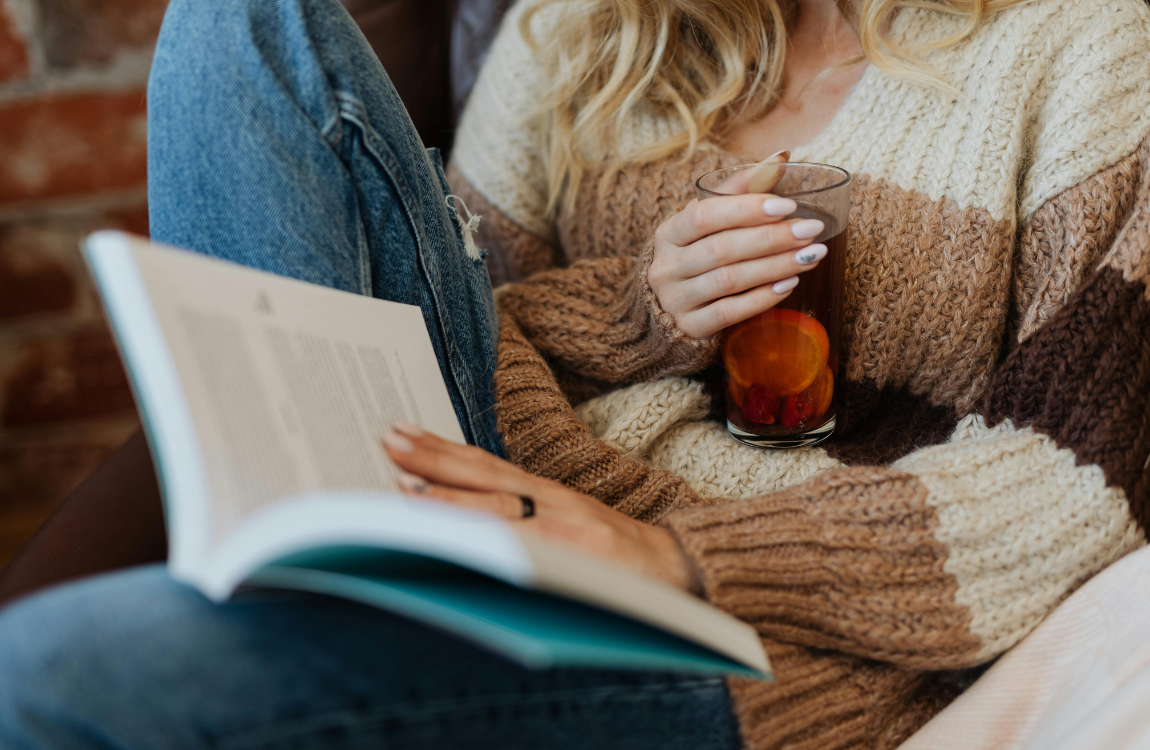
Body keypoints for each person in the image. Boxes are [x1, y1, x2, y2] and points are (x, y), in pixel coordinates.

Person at [0, 0, 1148, 746]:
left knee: (55, 671)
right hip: (479, 469)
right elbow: (474, 326)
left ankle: (293, 627)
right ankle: (289, 537)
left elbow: (1082, 481)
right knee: (241, 20)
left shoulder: (1080, 41)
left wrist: (671, 556)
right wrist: (642, 313)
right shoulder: (577, 29)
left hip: (728, 621)